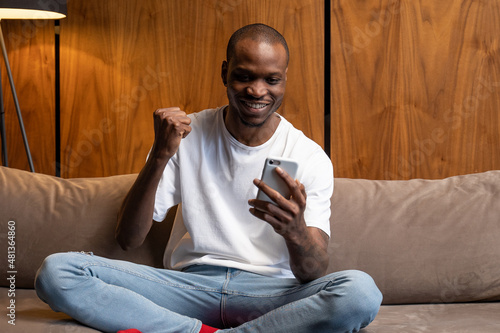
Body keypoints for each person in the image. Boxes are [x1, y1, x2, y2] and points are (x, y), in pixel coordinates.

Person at [35, 23, 382, 333]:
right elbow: (128, 238)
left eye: (271, 80)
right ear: (225, 72)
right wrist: (159, 155)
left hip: (271, 294)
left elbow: (313, 272)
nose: (257, 91)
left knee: (361, 292)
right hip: (188, 287)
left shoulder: (308, 156)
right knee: (58, 273)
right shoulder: (185, 136)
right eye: (245, 76)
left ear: (284, 79)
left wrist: (295, 232)